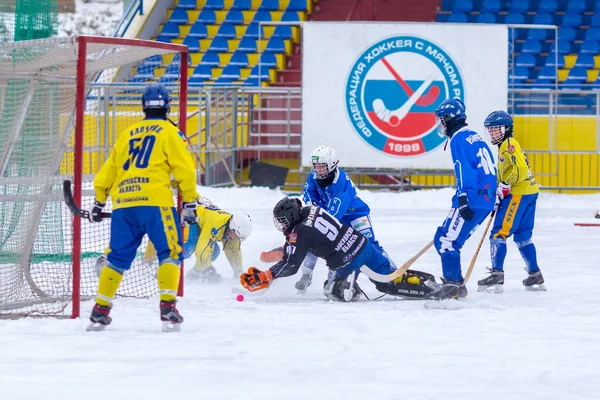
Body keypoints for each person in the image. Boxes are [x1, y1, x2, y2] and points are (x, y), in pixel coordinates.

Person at [87, 83, 198, 332]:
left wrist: (98, 200)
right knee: (170, 252)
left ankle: (100, 310)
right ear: (167, 106)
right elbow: (184, 168)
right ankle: (168, 305)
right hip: (155, 203)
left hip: (123, 204)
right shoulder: (170, 132)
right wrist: (189, 200)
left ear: (143, 107)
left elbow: (109, 170)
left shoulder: (128, 133)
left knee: (116, 257)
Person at [241, 197, 438, 301]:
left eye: (283, 221)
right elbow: (295, 247)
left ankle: (349, 285)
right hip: (363, 245)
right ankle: (430, 285)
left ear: (291, 217)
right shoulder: (310, 210)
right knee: (389, 281)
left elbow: (291, 265)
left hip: (346, 262)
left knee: (332, 292)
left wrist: (266, 276)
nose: (282, 225)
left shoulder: (300, 232)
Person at [260, 145, 391, 294]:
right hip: (330, 212)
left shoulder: (340, 185)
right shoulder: (314, 177)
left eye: (322, 166)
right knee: (316, 241)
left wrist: (307, 229)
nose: (318, 170)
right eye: (316, 166)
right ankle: (307, 275)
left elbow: (331, 217)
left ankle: (391, 271)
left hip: (355, 216)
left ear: (332, 164)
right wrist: (312, 207)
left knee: (370, 245)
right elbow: (309, 193)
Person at [429, 98, 497, 300]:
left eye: (441, 120)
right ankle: (455, 283)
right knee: (447, 237)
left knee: (445, 240)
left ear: (449, 119)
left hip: (473, 198)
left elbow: (464, 169)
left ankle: (453, 285)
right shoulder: (474, 136)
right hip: (484, 199)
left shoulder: (458, 139)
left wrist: (464, 196)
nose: (440, 124)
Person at [477, 110, 545, 292]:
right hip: (530, 192)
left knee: (499, 233)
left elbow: (520, 170)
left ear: (506, 129)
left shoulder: (508, 145)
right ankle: (534, 274)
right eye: (490, 130)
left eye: (496, 129)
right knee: (523, 236)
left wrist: (506, 185)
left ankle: (496, 274)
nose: (492, 133)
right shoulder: (507, 144)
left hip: (518, 193)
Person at [184, 197, 252, 283]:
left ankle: (196, 271)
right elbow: (203, 249)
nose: (236, 238)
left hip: (204, 224)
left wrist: (238, 271)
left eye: (239, 237)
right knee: (189, 247)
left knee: (214, 253)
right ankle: (167, 261)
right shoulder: (216, 224)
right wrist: (208, 269)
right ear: (232, 228)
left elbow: (233, 251)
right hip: (192, 217)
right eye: (236, 235)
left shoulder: (234, 229)